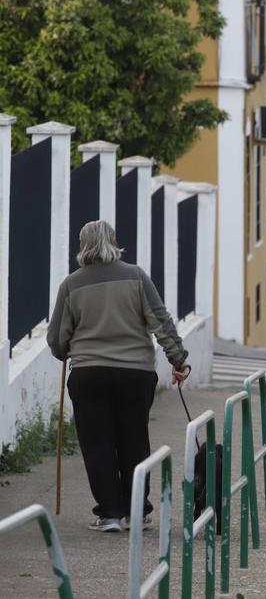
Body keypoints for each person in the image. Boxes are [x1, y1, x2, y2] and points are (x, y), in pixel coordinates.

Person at [47, 220, 190, 533]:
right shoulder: (136, 276)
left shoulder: (71, 284)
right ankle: (138, 511)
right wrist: (177, 359)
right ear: (114, 242)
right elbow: (159, 320)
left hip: (89, 374)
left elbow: (58, 339)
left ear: (82, 246)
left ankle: (110, 513)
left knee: (97, 443)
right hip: (135, 374)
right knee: (134, 439)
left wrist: (68, 350)